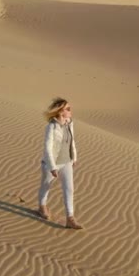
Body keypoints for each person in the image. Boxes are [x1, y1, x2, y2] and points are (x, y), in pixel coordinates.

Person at [37, 97, 84, 229]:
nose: (70, 111)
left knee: (69, 189)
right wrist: (52, 167)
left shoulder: (70, 122)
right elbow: (47, 148)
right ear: (60, 112)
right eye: (68, 109)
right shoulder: (51, 127)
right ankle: (42, 206)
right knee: (46, 186)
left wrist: (74, 157)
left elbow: (72, 140)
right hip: (52, 164)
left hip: (66, 162)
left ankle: (70, 218)